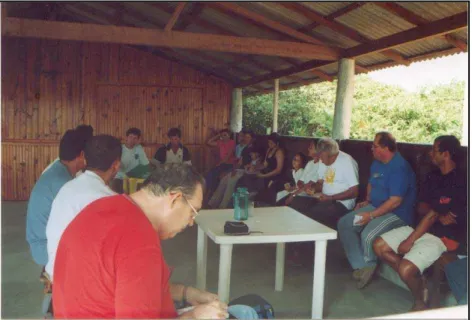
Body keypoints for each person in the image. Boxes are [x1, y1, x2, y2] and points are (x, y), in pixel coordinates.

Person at [52, 163, 257, 319]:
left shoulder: (103, 207)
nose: (191, 222)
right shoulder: (138, 240)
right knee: (246, 312)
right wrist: (194, 316)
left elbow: (125, 285)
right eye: (193, 212)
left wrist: (186, 293)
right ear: (175, 199)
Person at [374, 135, 467, 311]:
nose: (430, 153)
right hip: (421, 228)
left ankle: (419, 301)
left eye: (434, 150)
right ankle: (419, 282)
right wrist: (438, 214)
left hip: (443, 237)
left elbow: (433, 214)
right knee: (379, 246)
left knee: (405, 269)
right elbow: (422, 208)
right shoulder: (432, 176)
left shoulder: (462, 181)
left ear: (446, 154)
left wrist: (410, 240)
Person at [337, 132, 416, 289]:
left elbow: (395, 201)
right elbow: (371, 183)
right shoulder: (378, 162)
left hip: (397, 213)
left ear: (386, 148)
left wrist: (371, 215)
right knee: (345, 223)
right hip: (375, 206)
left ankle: (368, 265)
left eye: (375, 146)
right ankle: (361, 267)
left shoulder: (399, 167)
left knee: (369, 234)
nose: (372, 149)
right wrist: (368, 201)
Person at [26, 129, 87, 317]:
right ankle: (54, 310)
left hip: (40, 242)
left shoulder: (57, 170)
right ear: (82, 155)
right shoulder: (62, 181)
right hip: (45, 248)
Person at [46, 135, 122, 281]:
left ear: (85, 160)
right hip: (75, 280)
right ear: (116, 165)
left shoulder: (69, 187)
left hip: (55, 268)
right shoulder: (108, 199)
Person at [291, 138, 359, 229]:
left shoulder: (347, 162)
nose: (320, 160)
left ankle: (308, 241)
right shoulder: (324, 161)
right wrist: (314, 188)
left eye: (321, 156)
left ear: (328, 154)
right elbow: (320, 184)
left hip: (342, 203)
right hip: (324, 198)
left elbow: (354, 191)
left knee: (313, 214)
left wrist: (331, 198)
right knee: (296, 202)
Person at [208, 130, 255, 209]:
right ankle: (212, 204)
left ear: (252, 139)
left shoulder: (254, 148)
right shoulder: (245, 149)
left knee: (230, 182)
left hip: (246, 171)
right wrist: (234, 169)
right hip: (239, 169)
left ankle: (223, 206)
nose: (245, 138)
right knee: (223, 181)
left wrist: (247, 166)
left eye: (248, 137)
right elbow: (240, 162)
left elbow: (255, 163)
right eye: (245, 137)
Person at [279, 139, 320, 206]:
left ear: (318, 150)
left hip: (309, 195)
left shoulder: (321, 165)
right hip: (301, 192)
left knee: (288, 202)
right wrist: (300, 188)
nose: (308, 148)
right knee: (281, 200)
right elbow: (300, 181)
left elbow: (311, 184)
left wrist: (294, 194)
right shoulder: (310, 163)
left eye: (311, 147)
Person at [112, 127, 150, 193]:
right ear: (126, 137)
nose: (132, 140)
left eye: (135, 138)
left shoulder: (139, 148)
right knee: (119, 195)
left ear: (138, 140)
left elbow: (145, 165)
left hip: (135, 178)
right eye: (130, 137)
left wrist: (131, 174)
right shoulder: (120, 148)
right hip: (120, 178)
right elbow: (115, 165)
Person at [205, 129, 236, 200]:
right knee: (210, 174)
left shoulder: (232, 142)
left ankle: (211, 194)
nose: (223, 136)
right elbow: (209, 142)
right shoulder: (220, 142)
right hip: (222, 164)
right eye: (222, 135)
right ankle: (209, 192)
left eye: (225, 135)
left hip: (230, 164)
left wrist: (218, 164)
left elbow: (227, 157)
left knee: (217, 174)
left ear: (229, 136)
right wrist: (218, 135)